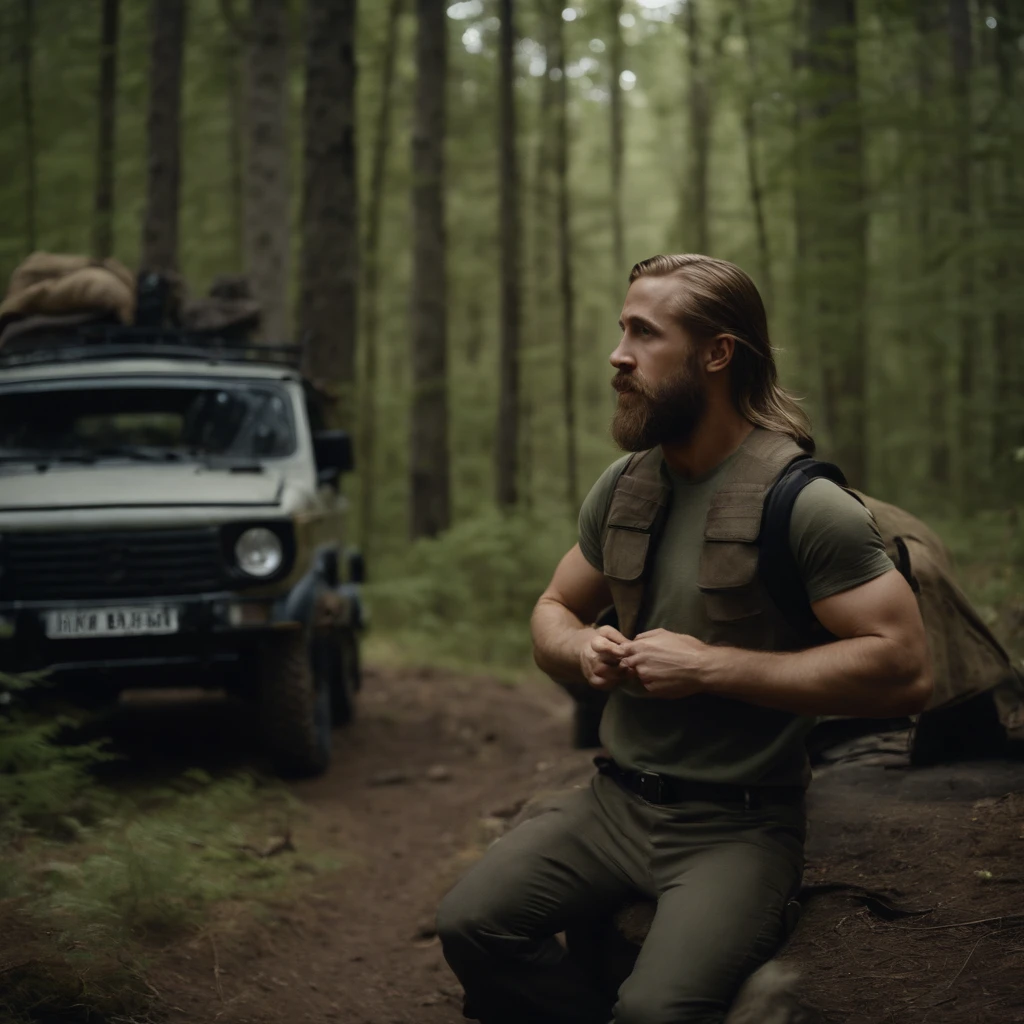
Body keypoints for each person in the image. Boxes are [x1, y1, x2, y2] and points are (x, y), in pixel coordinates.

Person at [436, 254, 933, 1024]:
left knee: (655, 1011)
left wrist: (711, 666)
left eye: (643, 333)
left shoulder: (808, 506)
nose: (618, 354)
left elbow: (904, 669)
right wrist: (579, 650)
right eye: (620, 330)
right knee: (473, 923)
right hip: (612, 806)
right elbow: (552, 608)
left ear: (716, 353)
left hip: (738, 827)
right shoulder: (626, 484)